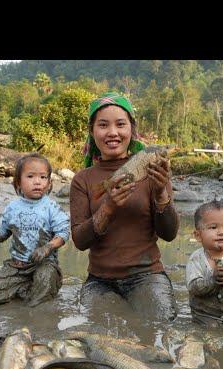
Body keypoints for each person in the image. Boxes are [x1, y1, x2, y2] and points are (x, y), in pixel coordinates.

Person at [70, 91, 180, 322]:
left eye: (121, 124)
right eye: (103, 125)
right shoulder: (83, 179)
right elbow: (80, 241)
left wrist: (161, 193)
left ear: (132, 129)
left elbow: (169, 234)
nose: (112, 132)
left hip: (147, 275)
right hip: (99, 280)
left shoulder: (152, 169)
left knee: (160, 325)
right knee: (97, 334)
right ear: (92, 132)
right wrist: (108, 207)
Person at [0, 153, 70, 307]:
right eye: (30, 176)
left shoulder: (52, 208)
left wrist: (47, 248)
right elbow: (1, 233)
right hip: (17, 266)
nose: (37, 181)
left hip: (44, 264)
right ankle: (23, 288)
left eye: (43, 177)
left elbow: (63, 234)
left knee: (42, 289)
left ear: (50, 184)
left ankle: (34, 294)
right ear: (18, 183)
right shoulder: (12, 208)